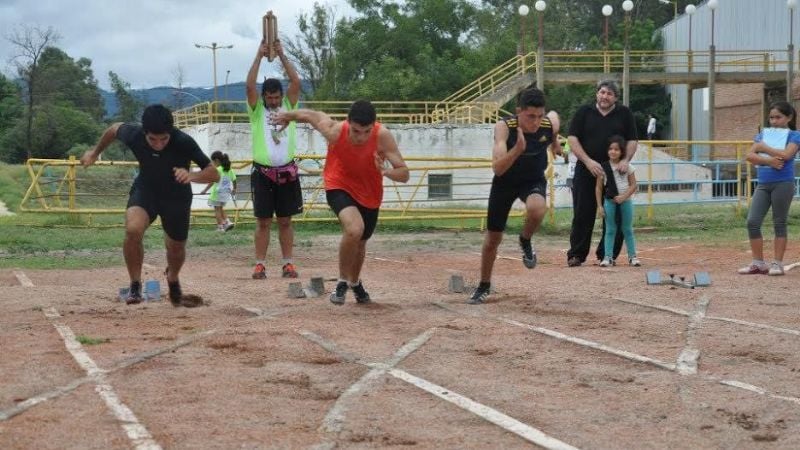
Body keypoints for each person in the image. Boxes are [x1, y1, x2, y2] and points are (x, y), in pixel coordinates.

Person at [272, 100, 410, 305]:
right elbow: (313, 115)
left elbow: (404, 174)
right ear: (348, 123)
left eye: (366, 131)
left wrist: (386, 171)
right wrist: (287, 116)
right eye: (356, 131)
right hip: (339, 184)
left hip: (370, 193)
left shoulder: (383, 136)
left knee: (361, 241)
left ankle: (355, 282)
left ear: (374, 126)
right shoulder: (335, 132)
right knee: (355, 229)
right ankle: (342, 281)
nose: (361, 137)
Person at [80, 104, 219, 305]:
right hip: (147, 190)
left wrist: (192, 175)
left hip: (176, 196)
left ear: (170, 132)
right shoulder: (134, 134)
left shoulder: (183, 141)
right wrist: (94, 152)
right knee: (133, 229)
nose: (159, 144)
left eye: (164, 139)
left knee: (176, 248)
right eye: (152, 139)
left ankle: (172, 278)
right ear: (144, 132)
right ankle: (135, 285)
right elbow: (113, 129)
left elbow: (213, 173)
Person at [468, 88, 561, 305]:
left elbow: (555, 117)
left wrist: (555, 142)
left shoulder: (547, 124)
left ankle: (525, 239)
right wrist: (518, 149)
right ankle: (484, 285)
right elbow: (498, 169)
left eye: (539, 116)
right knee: (493, 239)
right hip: (505, 182)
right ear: (518, 112)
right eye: (530, 116)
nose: (536, 122)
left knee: (538, 209)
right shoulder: (504, 128)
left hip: (532, 180)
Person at [246, 39, 303, 280]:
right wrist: (259, 56)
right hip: (263, 174)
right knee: (263, 222)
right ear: (264, 98)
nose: (273, 101)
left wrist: (281, 54)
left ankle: (288, 263)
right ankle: (259, 264)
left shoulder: (289, 106)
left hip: (287, 173)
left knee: (286, 221)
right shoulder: (257, 111)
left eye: (276, 97)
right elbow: (249, 84)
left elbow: (296, 81)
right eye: (269, 98)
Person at [566, 80, 637, 267]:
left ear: (616, 98)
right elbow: (572, 138)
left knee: (616, 214)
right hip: (587, 169)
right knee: (582, 213)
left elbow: (632, 140)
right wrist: (588, 161)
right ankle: (576, 255)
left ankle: (607, 255)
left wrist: (625, 160)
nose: (605, 96)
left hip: (615, 172)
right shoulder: (584, 112)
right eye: (602, 92)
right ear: (597, 93)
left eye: (609, 94)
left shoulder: (625, 114)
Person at [738, 101, 800, 276]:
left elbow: (787, 155)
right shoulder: (763, 134)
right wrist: (769, 160)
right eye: (771, 117)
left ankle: (777, 264)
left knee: (779, 222)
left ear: (789, 117)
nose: (774, 121)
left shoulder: (794, 135)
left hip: (783, 183)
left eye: (778, 117)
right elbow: (749, 156)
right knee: (752, 221)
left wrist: (763, 148)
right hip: (763, 184)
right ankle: (758, 263)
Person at [595, 135, 641, 267]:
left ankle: (633, 257)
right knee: (610, 230)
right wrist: (600, 206)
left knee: (627, 229)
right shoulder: (603, 168)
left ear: (622, 152)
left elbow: (633, 185)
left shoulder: (628, 167)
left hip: (625, 202)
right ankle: (608, 257)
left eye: (616, 149)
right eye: (610, 149)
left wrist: (623, 197)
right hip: (609, 202)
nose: (613, 152)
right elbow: (598, 188)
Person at [200, 151, 237, 232]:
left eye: (213, 161)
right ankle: (227, 221)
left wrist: (204, 190)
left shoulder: (217, 170)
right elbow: (234, 179)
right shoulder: (229, 169)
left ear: (216, 160)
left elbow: (212, 182)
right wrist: (234, 188)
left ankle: (221, 226)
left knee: (217, 210)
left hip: (217, 193)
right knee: (220, 208)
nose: (213, 163)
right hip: (225, 193)